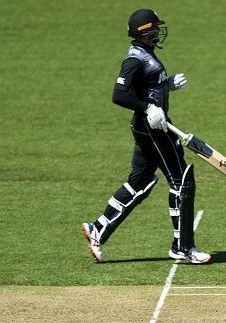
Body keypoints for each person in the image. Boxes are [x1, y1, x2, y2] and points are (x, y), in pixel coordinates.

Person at [81, 9, 211, 265]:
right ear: (145, 32)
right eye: (155, 28)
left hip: (154, 128)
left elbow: (147, 86)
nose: (158, 32)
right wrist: (147, 108)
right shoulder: (134, 60)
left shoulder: (148, 54)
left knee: (139, 183)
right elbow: (119, 95)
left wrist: (167, 85)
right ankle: (183, 247)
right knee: (181, 183)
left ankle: (98, 228)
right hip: (152, 130)